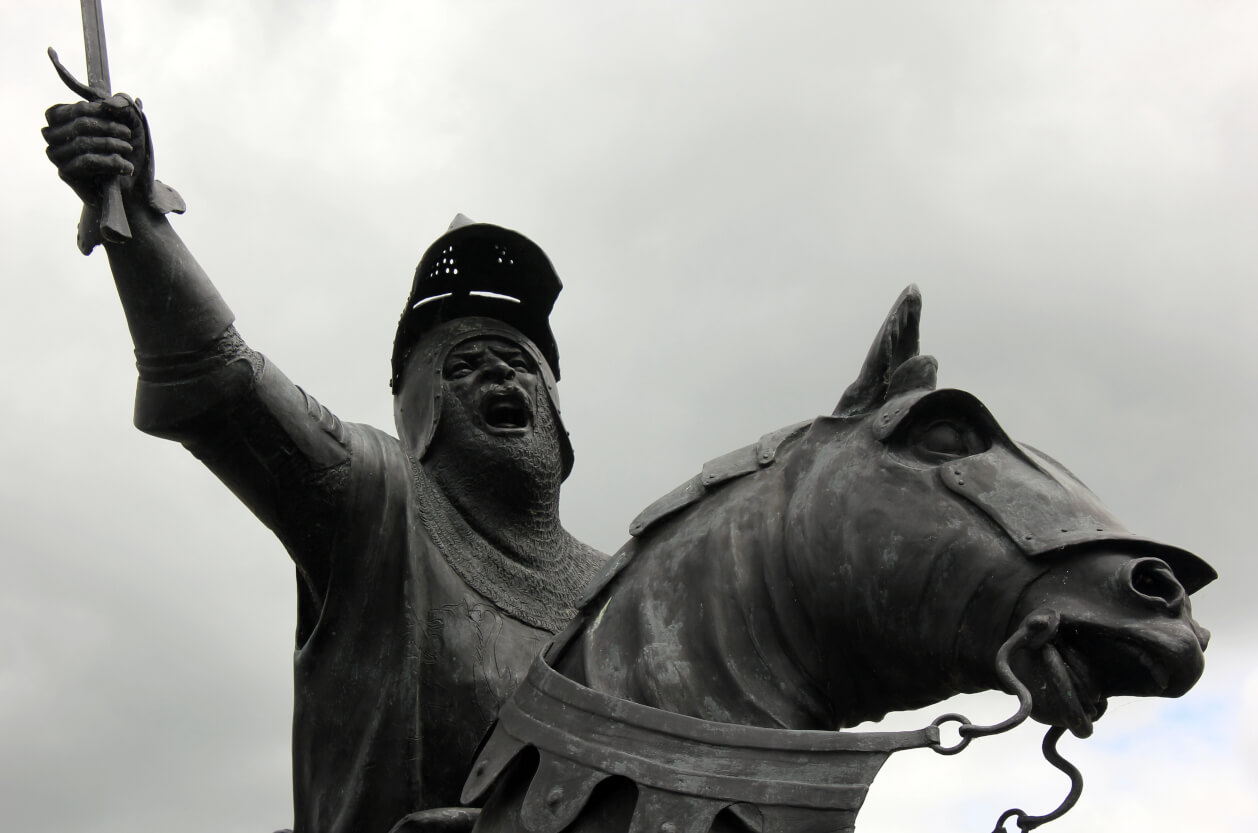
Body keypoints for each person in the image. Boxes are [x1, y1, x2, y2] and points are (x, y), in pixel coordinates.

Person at [42, 94, 606, 833]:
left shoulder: (628, 590)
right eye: (466, 365)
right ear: (421, 407)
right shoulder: (379, 496)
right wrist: (138, 219)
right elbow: (222, 379)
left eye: (517, 363)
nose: (500, 378)